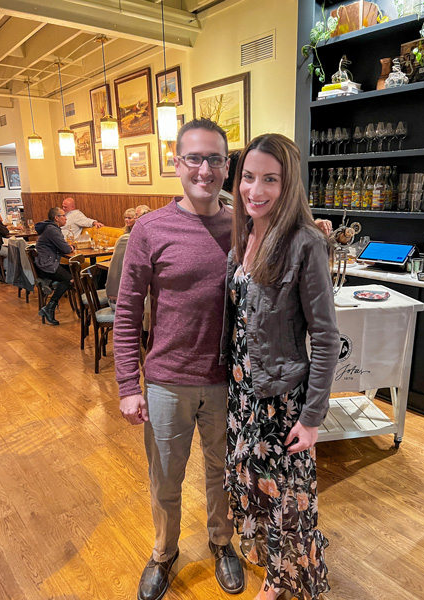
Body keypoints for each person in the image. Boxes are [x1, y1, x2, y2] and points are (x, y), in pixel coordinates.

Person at [114, 118, 244, 600]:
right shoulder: (150, 229)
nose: (204, 169)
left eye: (214, 159)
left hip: (226, 381)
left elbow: (287, 240)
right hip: (167, 380)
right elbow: (126, 313)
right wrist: (129, 384)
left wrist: (315, 227)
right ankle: (164, 552)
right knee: (165, 477)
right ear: (177, 163)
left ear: (226, 165)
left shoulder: (242, 224)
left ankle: (222, 542)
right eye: (195, 158)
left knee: (221, 472)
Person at [221, 134, 340, 600]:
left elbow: (327, 336)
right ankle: (275, 568)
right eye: (249, 177)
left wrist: (311, 419)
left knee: (288, 500)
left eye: (270, 179)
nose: (256, 189)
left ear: (288, 184)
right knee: (257, 493)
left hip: (282, 400)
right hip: (242, 395)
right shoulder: (245, 235)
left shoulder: (305, 242)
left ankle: (284, 581)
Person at [35, 207, 74, 326]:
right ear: (56, 218)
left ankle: (48, 284)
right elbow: (66, 248)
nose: (66, 218)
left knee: (75, 273)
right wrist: (71, 247)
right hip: (47, 265)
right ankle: (49, 307)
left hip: (44, 263)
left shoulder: (50, 228)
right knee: (70, 279)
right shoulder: (52, 230)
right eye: (63, 216)